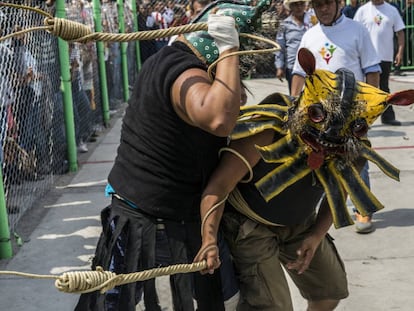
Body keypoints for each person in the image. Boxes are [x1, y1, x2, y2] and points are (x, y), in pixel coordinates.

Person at [74, 11, 242, 311]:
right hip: (147, 221)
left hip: (165, 214)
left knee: (224, 298)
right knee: (110, 303)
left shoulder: (166, 60)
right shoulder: (185, 73)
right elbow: (218, 117)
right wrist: (230, 49)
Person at [195, 49, 369, 310]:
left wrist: (316, 235)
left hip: (300, 222)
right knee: (273, 307)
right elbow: (218, 187)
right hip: (249, 224)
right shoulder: (267, 132)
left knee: (329, 291)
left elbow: (339, 192)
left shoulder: (351, 145)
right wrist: (208, 239)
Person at [290, 0, 382, 233]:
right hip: (318, 113)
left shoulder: (357, 30)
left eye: (328, 3)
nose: (324, 9)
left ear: (339, 3)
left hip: (352, 110)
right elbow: (299, 72)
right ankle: (319, 213)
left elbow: (372, 69)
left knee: (355, 160)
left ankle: (362, 210)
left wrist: (371, 109)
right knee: (318, 161)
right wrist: (293, 103)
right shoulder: (309, 35)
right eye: (318, 4)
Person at [354, 0, 406, 126]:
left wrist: (400, 52)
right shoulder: (362, 10)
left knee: (383, 88)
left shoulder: (392, 10)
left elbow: (400, 33)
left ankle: (388, 117)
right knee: (362, 89)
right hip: (365, 57)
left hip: (385, 56)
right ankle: (359, 119)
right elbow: (353, 31)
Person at [275, 0, 312, 92]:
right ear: (291, 7)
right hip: (292, 66)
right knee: (295, 96)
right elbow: (280, 47)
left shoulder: (312, 21)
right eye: (295, 5)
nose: (299, 7)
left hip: (311, 65)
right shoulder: (284, 25)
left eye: (301, 4)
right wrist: (279, 67)